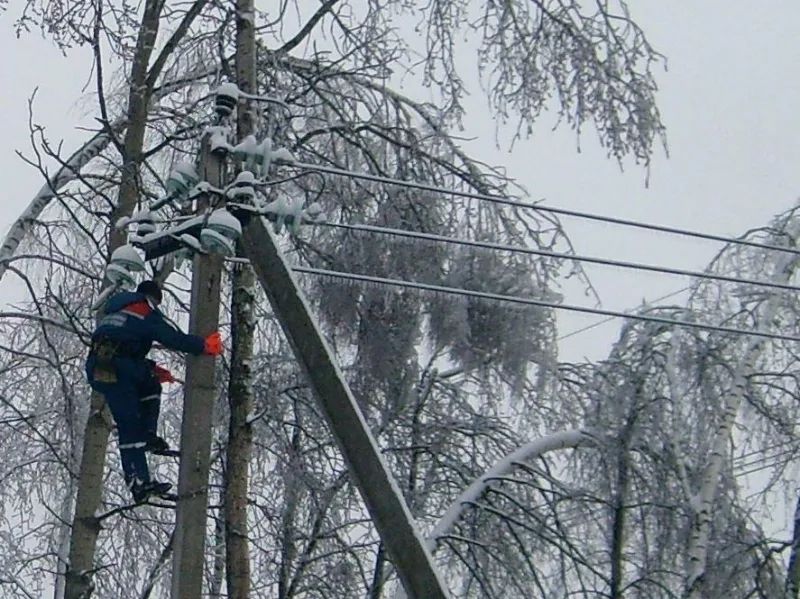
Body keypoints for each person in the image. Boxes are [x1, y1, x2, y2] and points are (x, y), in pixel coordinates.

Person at [85, 280, 223, 503]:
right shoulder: (144, 309)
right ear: (153, 298)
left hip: (102, 366)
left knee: (149, 386)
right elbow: (170, 337)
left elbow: (122, 343)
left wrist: (152, 369)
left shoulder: (116, 309)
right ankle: (138, 481)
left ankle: (146, 437)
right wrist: (203, 346)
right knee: (129, 425)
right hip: (119, 368)